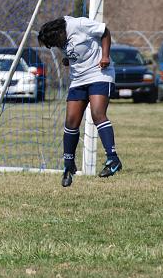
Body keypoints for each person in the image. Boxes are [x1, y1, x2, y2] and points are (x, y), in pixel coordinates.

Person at [37, 16, 121, 187]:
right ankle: (68, 165)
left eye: (56, 42)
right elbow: (75, 51)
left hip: (99, 73)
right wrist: (68, 59)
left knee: (97, 114)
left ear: (60, 32)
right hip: (78, 79)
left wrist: (105, 56)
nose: (57, 46)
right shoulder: (60, 39)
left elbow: (105, 32)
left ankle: (113, 159)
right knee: (71, 121)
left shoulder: (79, 24)